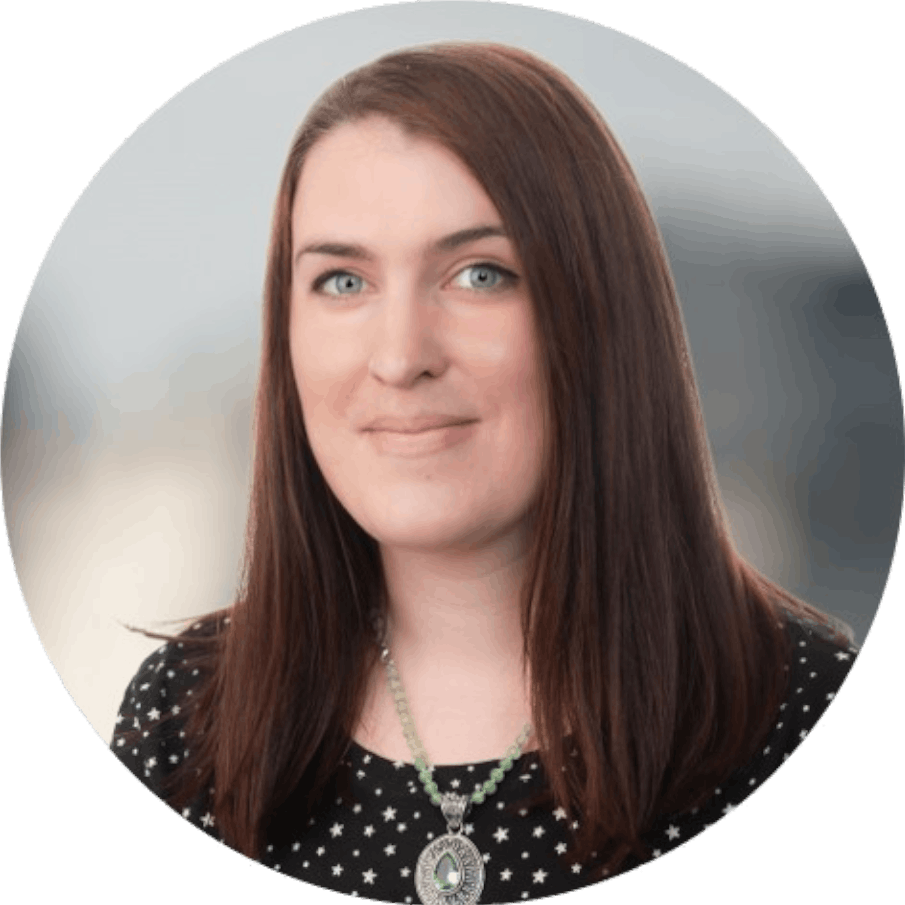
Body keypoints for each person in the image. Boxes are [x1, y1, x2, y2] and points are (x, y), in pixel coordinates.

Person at [111, 41, 857, 903]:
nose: (399, 357)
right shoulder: (184, 715)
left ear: (598, 316)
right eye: (343, 280)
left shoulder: (799, 713)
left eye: (478, 274)